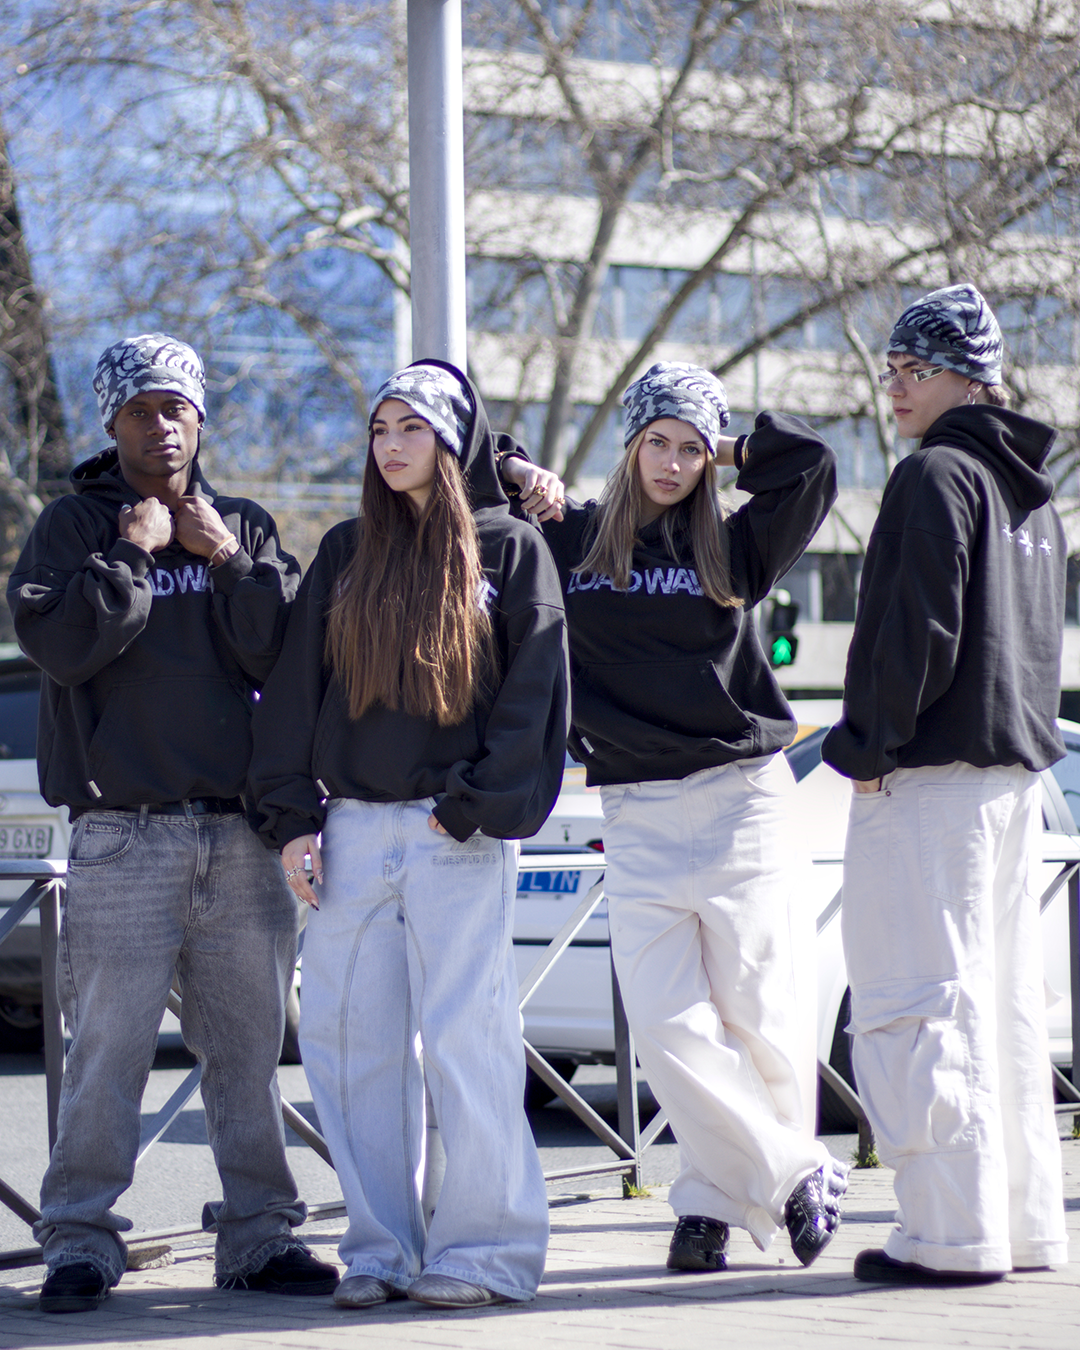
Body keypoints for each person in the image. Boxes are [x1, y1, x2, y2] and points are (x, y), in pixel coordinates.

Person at [8, 333, 338, 1313]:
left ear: (201, 418)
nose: (163, 424)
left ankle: (257, 1237)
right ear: (111, 423)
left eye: (178, 407)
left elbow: (282, 653)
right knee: (107, 1049)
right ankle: (78, 1241)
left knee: (247, 1052)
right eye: (143, 409)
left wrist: (227, 556)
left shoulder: (239, 523)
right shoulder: (72, 529)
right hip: (122, 836)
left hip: (239, 836)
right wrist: (131, 550)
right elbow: (65, 645)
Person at [499, 362, 847, 1273]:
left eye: (690, 449)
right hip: (638, 807)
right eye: (658, 440)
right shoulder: (569, 535)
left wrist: (724, 441)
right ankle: (795, 1173)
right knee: (667, 1024)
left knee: (760, 1018)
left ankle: (707, 1207)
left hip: (744, 801)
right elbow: (468, 463)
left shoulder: (734, 547)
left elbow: (810, 462)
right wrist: (522, 473)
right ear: (629, 444)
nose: (673, 461)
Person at [249, 360, 569, 1311]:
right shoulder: (347, 551)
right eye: (381, 428)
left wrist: (469, 805)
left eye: (413, 428)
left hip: (452, 835)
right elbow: (295, 696)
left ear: (455, 440)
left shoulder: (510, 549)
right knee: (353, 1052)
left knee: (469, 1044)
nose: (391, 445)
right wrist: (292, 820)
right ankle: (381, 1249)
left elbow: (533, 697)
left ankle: (486, 1255)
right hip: (349, 832)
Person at [822, 284, 1071, 1285]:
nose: (892, 392)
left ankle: (950, 1234)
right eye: (889, 373)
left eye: (905, 372)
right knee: (1004, 1007)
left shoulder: (934, 477)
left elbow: (913, 635)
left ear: (952, 378)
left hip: (929, 779)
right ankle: (1024, 1226)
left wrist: (865, 750)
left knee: (921, 1002)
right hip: (1015, 779)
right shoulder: (1034, 498)